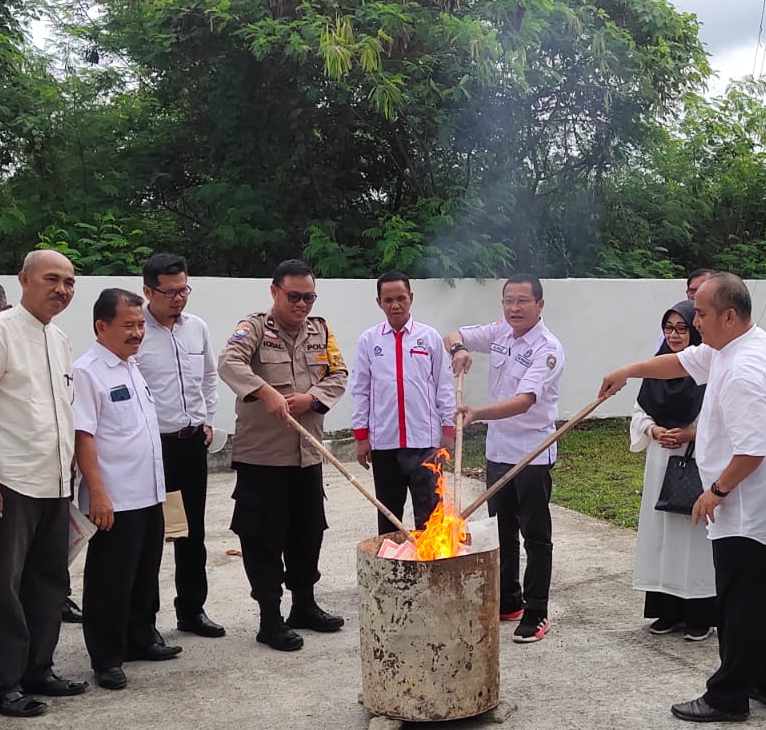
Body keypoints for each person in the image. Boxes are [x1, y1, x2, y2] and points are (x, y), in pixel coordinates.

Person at [600, 274, 766, 721]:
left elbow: (753, 448)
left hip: (746, 504)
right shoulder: (739, 344)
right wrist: (627, 371)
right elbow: (680, 363)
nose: (695, 321)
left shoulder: (745, 368)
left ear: (729, 315)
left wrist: (716, 491)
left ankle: (727, 696)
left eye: (702, 314)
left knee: (740, 601)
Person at [0, 249, 86, 717]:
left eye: (70, 282)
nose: (62, 290)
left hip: (53, 481)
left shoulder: (60, 338)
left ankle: (38, 669)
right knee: (2, 587)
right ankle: (1, 684)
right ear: (23, 280)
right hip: (8, 481)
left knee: (49, 582)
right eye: (52, 279)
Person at [219, 259, 349, 651]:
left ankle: (304, 605)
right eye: (294, 296)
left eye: (309, 297)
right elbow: (229, 362)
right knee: (262, 538)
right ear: (274, 291)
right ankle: (269, 618)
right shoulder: (255, 328)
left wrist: (313, 398)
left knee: (308, 533)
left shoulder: (321, 331)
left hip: (306, 454)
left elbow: (339, 375)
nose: (302, 304)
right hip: (263, 458)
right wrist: (265, 391)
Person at [444, 275, 566, 644]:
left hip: (531, 452)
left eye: (523, 301)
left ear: (540, 305)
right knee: (502, 531)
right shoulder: (499, 331)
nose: (514, 308)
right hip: (498, 452)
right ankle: (509, 600)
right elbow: (452, 334)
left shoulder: (548, 348)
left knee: (535, 535)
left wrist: (477, 412)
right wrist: (459, 351)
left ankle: (536, 611)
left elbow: (525, 401)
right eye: (508, 300)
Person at [74, 289, 182, 690]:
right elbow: (83, 436)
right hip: (115, 495)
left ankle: (140, 637)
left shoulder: (130, 367)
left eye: (140, 325)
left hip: (148, 491)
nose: (138, 333)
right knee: (110, 579)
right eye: (129, 325)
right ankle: (106, 657)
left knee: (144, 572)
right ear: (102, 327)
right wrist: (98, 493)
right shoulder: (88, 371)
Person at [138, 252, 224, 638]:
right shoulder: (135, 329)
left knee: (192, 532)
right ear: (148, 291)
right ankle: (145, 621)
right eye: (169, 292)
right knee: (152, 533)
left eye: (183, 289)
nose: (178, 298)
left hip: (191, 444)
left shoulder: (196, 328)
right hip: (153, 448)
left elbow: (208, 377)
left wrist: (207, 419)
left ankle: (192, 610)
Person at [627, 301, 717, 640]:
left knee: (692, 537)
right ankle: (667, 610)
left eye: (682, 328)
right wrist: (653, 430)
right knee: (662, 535)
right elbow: (640, 411)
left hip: (695, 460)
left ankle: (699, 614)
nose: (675, 335)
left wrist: (689, 433)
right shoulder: (657, 368)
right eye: (669, 328)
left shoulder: (706, 367)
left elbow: (719, 418)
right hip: (661, 459)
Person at [351, 271, 456, 534]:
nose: (395, 305)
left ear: (411, 298)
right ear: (379, 302)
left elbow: (444, 386)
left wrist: (449, 429)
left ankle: (432, 568)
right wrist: (362, 437)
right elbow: (361, 390)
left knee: (431, 517)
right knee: (389, 518)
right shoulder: (369, 341)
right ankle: (392, 569)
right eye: (388, 300)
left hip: (425, 443)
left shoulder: (429, 337)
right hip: (384, 443)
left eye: (400, 298)